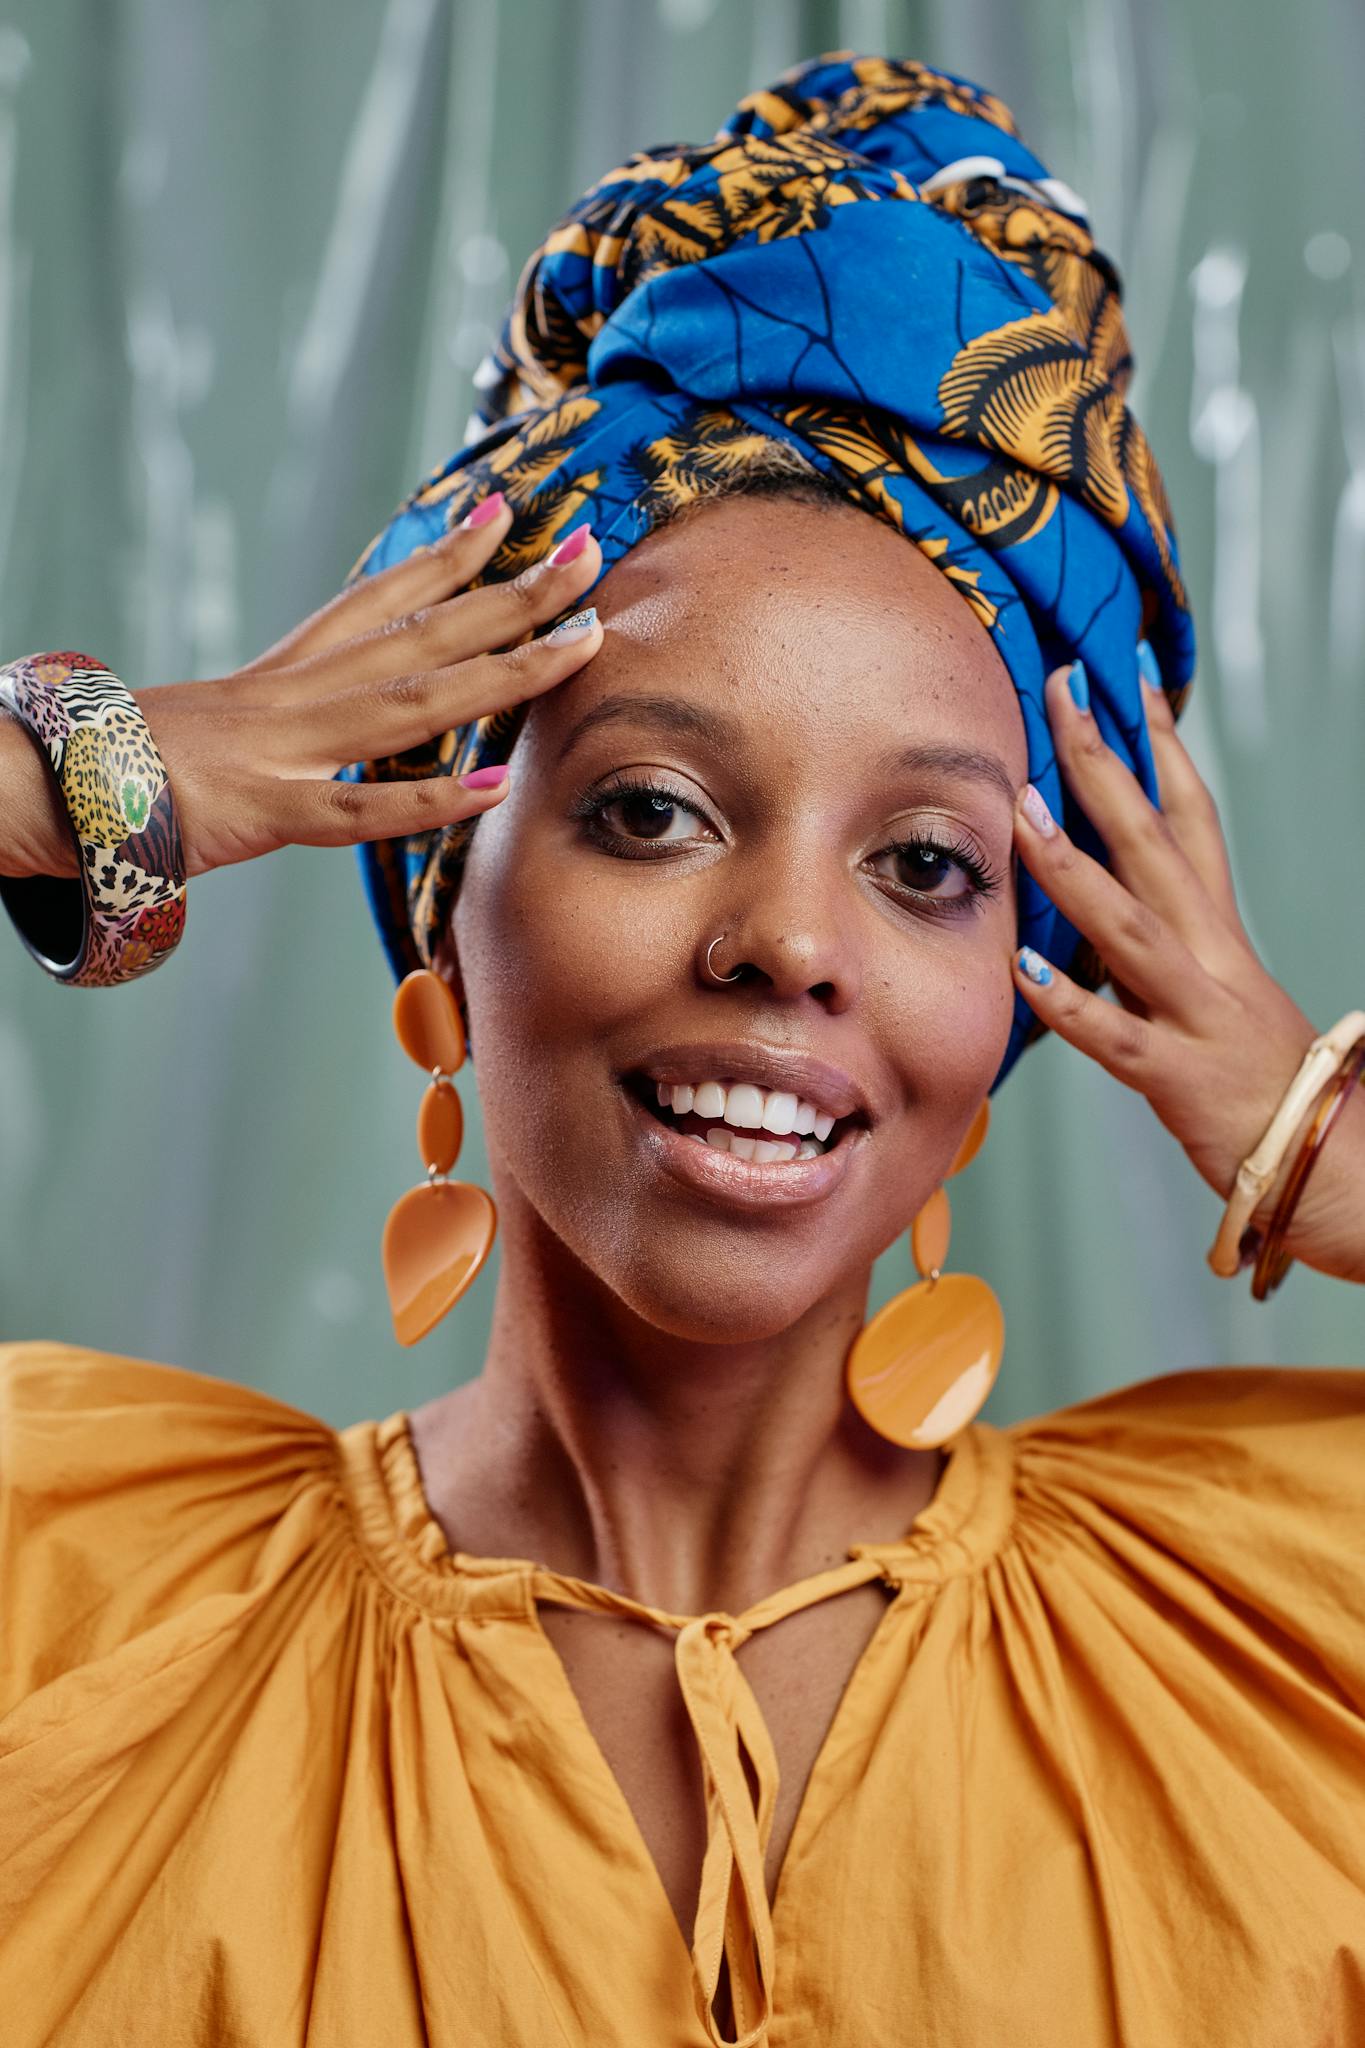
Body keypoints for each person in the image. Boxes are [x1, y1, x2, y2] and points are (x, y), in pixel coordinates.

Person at [1, 53, 1362, 2048]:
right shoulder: (65, 1613)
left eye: (922, 863)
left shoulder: (1283, 1635)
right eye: (650, 808)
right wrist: (87, 783)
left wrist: (1325, 1147)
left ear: (1011, 991)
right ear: (443, 884)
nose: (790, 944)